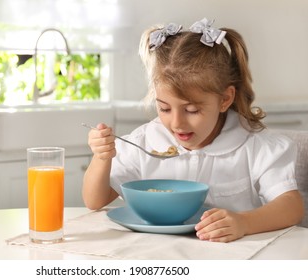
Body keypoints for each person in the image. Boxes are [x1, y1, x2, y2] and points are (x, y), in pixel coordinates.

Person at [82, 18, 304, 242]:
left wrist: (244, 222)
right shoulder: (144, 141)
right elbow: (94, 201)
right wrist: (102, 157)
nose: (177, 123)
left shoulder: (254, 145)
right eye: (165, 108)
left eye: (192, 110)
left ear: (225, 99)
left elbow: (291, 206)